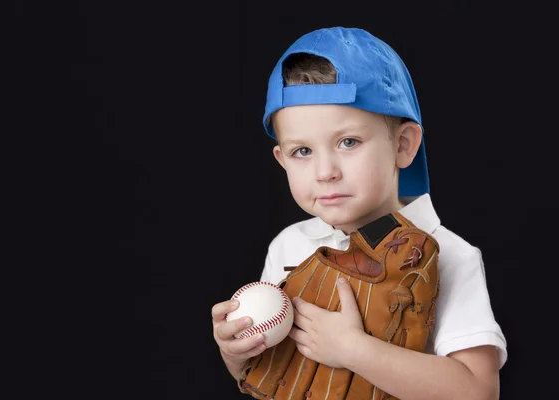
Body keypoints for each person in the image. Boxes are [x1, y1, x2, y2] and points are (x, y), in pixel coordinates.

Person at [211, 26, 507, 399]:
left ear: (402, 145)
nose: (325, 171)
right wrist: (237, 353)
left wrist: (353, 350)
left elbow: (479, 391)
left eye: (348, 142)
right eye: (303, 151)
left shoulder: (450, 256)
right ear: (282, 160)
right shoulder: (288, 246)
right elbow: (271, 378)